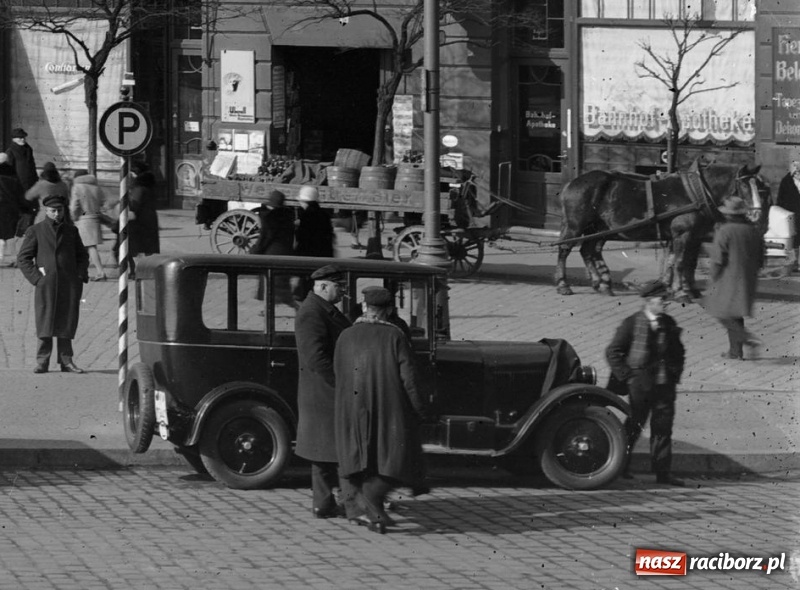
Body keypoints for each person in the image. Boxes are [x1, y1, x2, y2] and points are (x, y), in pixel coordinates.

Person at [334, 286, 427, 533]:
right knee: (395, 460)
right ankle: (371, 498)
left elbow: (338, 372)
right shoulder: (395, 336)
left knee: (359, 459)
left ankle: (370, 513)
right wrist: (420, 409)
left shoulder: (345, 335)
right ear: (389, 310)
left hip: (352, 407)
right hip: (389, 409)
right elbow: (409, 379)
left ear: (365, 307)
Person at [606, 280, 686, 486]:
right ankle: (621, 468)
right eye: (662, 299)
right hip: (640, 387)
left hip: (664, 387)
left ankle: (663, 474)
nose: (666, 303)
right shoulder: (632, 323)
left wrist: (674, 374)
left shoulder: (669, 323)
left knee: (663, 429)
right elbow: (613, 351)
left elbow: (678, 352)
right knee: (633, 427)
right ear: (650, 302)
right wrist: (628, 376)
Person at [294, 264, 355, 520]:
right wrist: (341, 383)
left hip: (323, 392)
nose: (343, 292)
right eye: (339, 287)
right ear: (322, 286)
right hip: (325, 392)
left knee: (324, 450)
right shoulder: (312, 312)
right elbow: (315, 358)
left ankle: (324, 504)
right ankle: (348, 504)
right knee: (339, 449)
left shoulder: (321, 308)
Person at [17, 194, 89, 374]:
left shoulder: (71, 231)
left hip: (68, 283)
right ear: (46, 211)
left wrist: (79, 274)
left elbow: (82, 255)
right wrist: (37, 278)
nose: (57, 214)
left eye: (60, 210)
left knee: (67, 321)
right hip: (46, 284)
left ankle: (67, 361)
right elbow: (23, 258)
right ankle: (42, 361)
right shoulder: (36, 230)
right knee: (45, 321)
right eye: (53, 211)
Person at [704, 196, 764, 361]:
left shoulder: (725, 231)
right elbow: (761, 259)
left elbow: (717, 259)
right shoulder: (753, 230)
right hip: (748, 278)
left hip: (728, 277)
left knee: (719, 310)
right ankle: (735, 352)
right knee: (735, 313)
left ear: (729, 215)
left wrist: (712, 278)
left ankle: (748, 339)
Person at [251, 190, 295, 304]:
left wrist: (255, 251)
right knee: (283, 288)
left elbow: (265, 238)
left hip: (272, 255)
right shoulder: (288, 216)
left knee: (269, 285)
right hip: (286, 253)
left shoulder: (269, 218)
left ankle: (268, 309)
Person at [69, 169, 107, 281]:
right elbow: (102, 201)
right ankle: (80, 271)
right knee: (87, 247)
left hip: (83, 220)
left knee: (90, 247)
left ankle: (100, 272)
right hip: (95, 218)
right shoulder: (96, 187)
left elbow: (74, 205)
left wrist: (73, 217)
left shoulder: (77, 187)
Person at [127, 161, 160, 278]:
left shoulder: (138, 188)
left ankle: (137, 272)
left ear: (136, 173)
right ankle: (150, 270)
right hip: (150, 219)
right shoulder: (150, 185)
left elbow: (135, 204)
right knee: (149, 249)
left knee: (135, 248)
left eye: (132, 173)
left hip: (139, 222)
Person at [0, 153, 27, 267]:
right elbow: (20, 193)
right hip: (11, 209)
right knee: (10, 233)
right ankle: (13, 258)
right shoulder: (14, 174)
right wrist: (23, 208)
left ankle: (1, 256)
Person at [295, 185, 334, 258]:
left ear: (304, 201)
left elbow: (302, 237)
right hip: (325, 254)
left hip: (308, 254)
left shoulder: (306, 216)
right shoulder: (324, 215)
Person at [776, 160, 800, 271]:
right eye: (795, 167)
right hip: (791, 215)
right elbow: (780, 200)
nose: (797, 169)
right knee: (793, 239)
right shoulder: (786, 182)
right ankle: (793, 262)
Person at [6, 127, 37, 193]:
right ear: (14, 139)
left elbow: (32, 164)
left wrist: (35, 178)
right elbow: (9, 169)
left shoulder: (28, 149)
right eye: (20, 138)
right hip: (19, 183)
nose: (23, 139)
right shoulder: (10, 151)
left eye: (24, 137)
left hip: (31, 181)